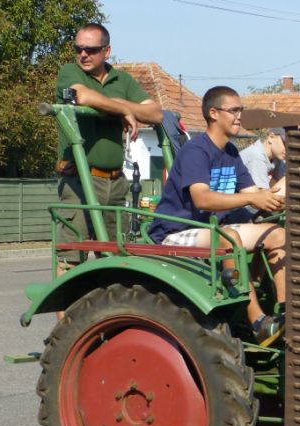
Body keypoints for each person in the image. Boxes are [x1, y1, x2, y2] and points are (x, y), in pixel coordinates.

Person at [148, 86, 286, 345]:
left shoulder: (231, 152)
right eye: (233, 110)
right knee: (229, 237)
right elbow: (202, 199)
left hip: (211, 230)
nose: (239, 116)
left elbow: (254, 193)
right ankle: (257, 322)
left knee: (277, 234)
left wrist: (286, 193)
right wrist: (252, 198)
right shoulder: (196, 151)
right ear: (213, 113)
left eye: (240, 110)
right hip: (175, 233)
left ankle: (287, 313)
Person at [54, 22, 162, 317]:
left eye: (91, 49)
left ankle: (108, 328)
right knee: (70, 260)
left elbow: (154, 113)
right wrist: (125, 111)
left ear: (107, 51)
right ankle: (66, 337)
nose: (83, 54)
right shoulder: (70, 72)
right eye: (78, 48)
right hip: (80, 181)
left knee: (115, 260)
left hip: (116, 183)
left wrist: (117, 104)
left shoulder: (120, 79)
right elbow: (82, 96)